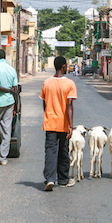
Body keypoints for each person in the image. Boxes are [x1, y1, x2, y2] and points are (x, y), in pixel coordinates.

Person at [40, 56, 77, 191]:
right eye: (66, 66)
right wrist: (70, 125)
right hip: (63, 124)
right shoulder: (69, 84)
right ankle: (63, 179)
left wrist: (49, 114)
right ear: (63, 66)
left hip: (50, 123)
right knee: (63, 151)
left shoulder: (47, 83)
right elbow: (69, 105)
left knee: (50, 151)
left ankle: (50, 179)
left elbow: (44, 103)